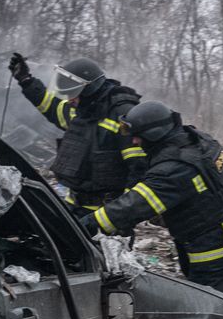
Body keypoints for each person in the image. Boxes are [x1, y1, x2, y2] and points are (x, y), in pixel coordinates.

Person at [77, 101, 223, 303]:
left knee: (212, 305)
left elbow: (130, 208)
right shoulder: (198, 141)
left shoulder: (174, 168)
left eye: (138, 135)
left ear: (155, 134)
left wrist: (85, 225)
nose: (134, 141)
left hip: (215, 247)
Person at [8, 53, 145, 214]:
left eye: (73, 93)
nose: (69, 99)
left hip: (105, 211)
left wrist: (123, 214)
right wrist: (26, 81)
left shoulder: (121, 114)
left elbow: (138, 169)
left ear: (89, 89)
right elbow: (51, 106)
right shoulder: (82, 111)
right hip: (73, 204)